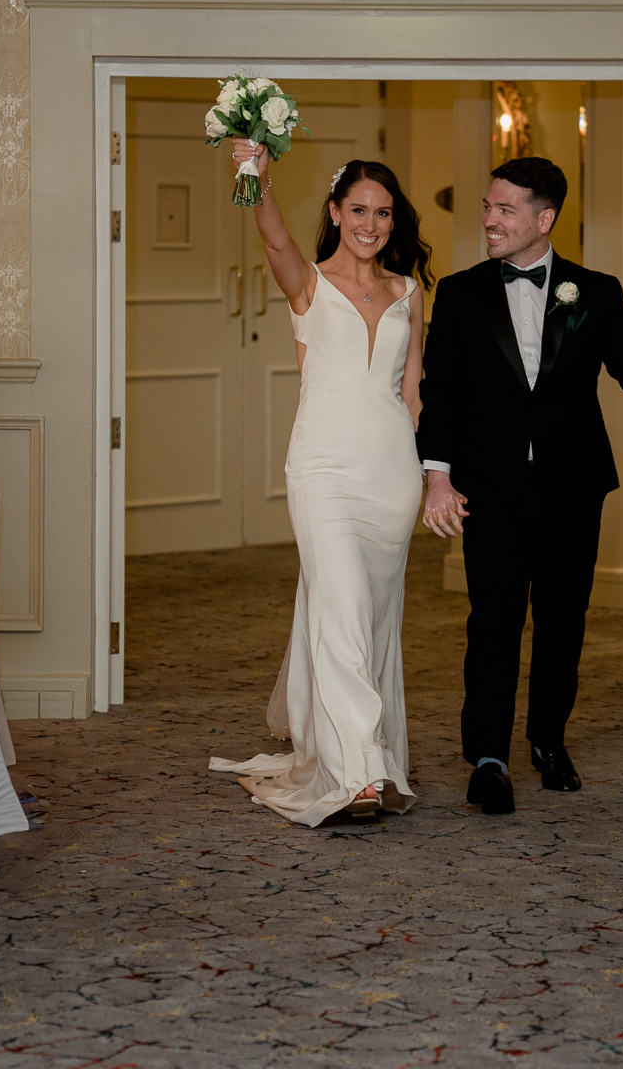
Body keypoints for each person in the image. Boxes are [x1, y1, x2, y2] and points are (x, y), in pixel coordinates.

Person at [417, 156, 623, 816]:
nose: (489, 220)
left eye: (504, 210)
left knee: (564, 622)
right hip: (491, 491)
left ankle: (547, 739)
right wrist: (437, 478)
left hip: (572, 488)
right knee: (494, 624)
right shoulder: (461, 291)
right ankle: (489, 758)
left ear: (544, 218)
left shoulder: (594, 290)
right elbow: (438, 393)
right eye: (487, 207)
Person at [209, 146, 432, 826]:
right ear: (335, 212)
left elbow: (414, 394)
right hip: (323, 470)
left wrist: (432, 476)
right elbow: (271, 232)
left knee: (369, 617)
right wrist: (254, 170)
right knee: (338, 608)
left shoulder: (408, 292)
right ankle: (359, 770)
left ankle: (365, 755)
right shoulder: (306, 282)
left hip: (391, 474)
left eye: (384, 213)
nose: (371, 223)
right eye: (359, 209)